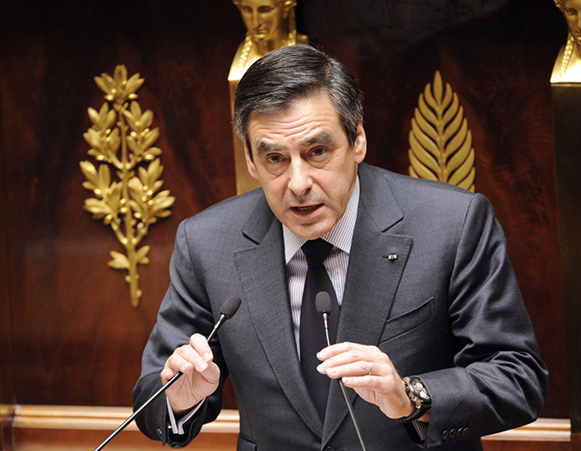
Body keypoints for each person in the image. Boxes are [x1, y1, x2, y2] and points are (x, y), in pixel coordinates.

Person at [133, 44, 548, 450]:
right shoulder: (207, 243)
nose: (298, 184)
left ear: (357, 140)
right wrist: (178, 397)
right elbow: (152, 397)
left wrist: (410, 396)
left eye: (317, 152)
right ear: (251, 161)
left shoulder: (451, 225)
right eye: (275, 158)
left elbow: (518, 377)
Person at [229, 0, 308, 80]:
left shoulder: (301, 49)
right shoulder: (241, 59)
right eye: (247, 9)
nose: (256, 23)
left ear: (286, 8)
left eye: (265, 9)